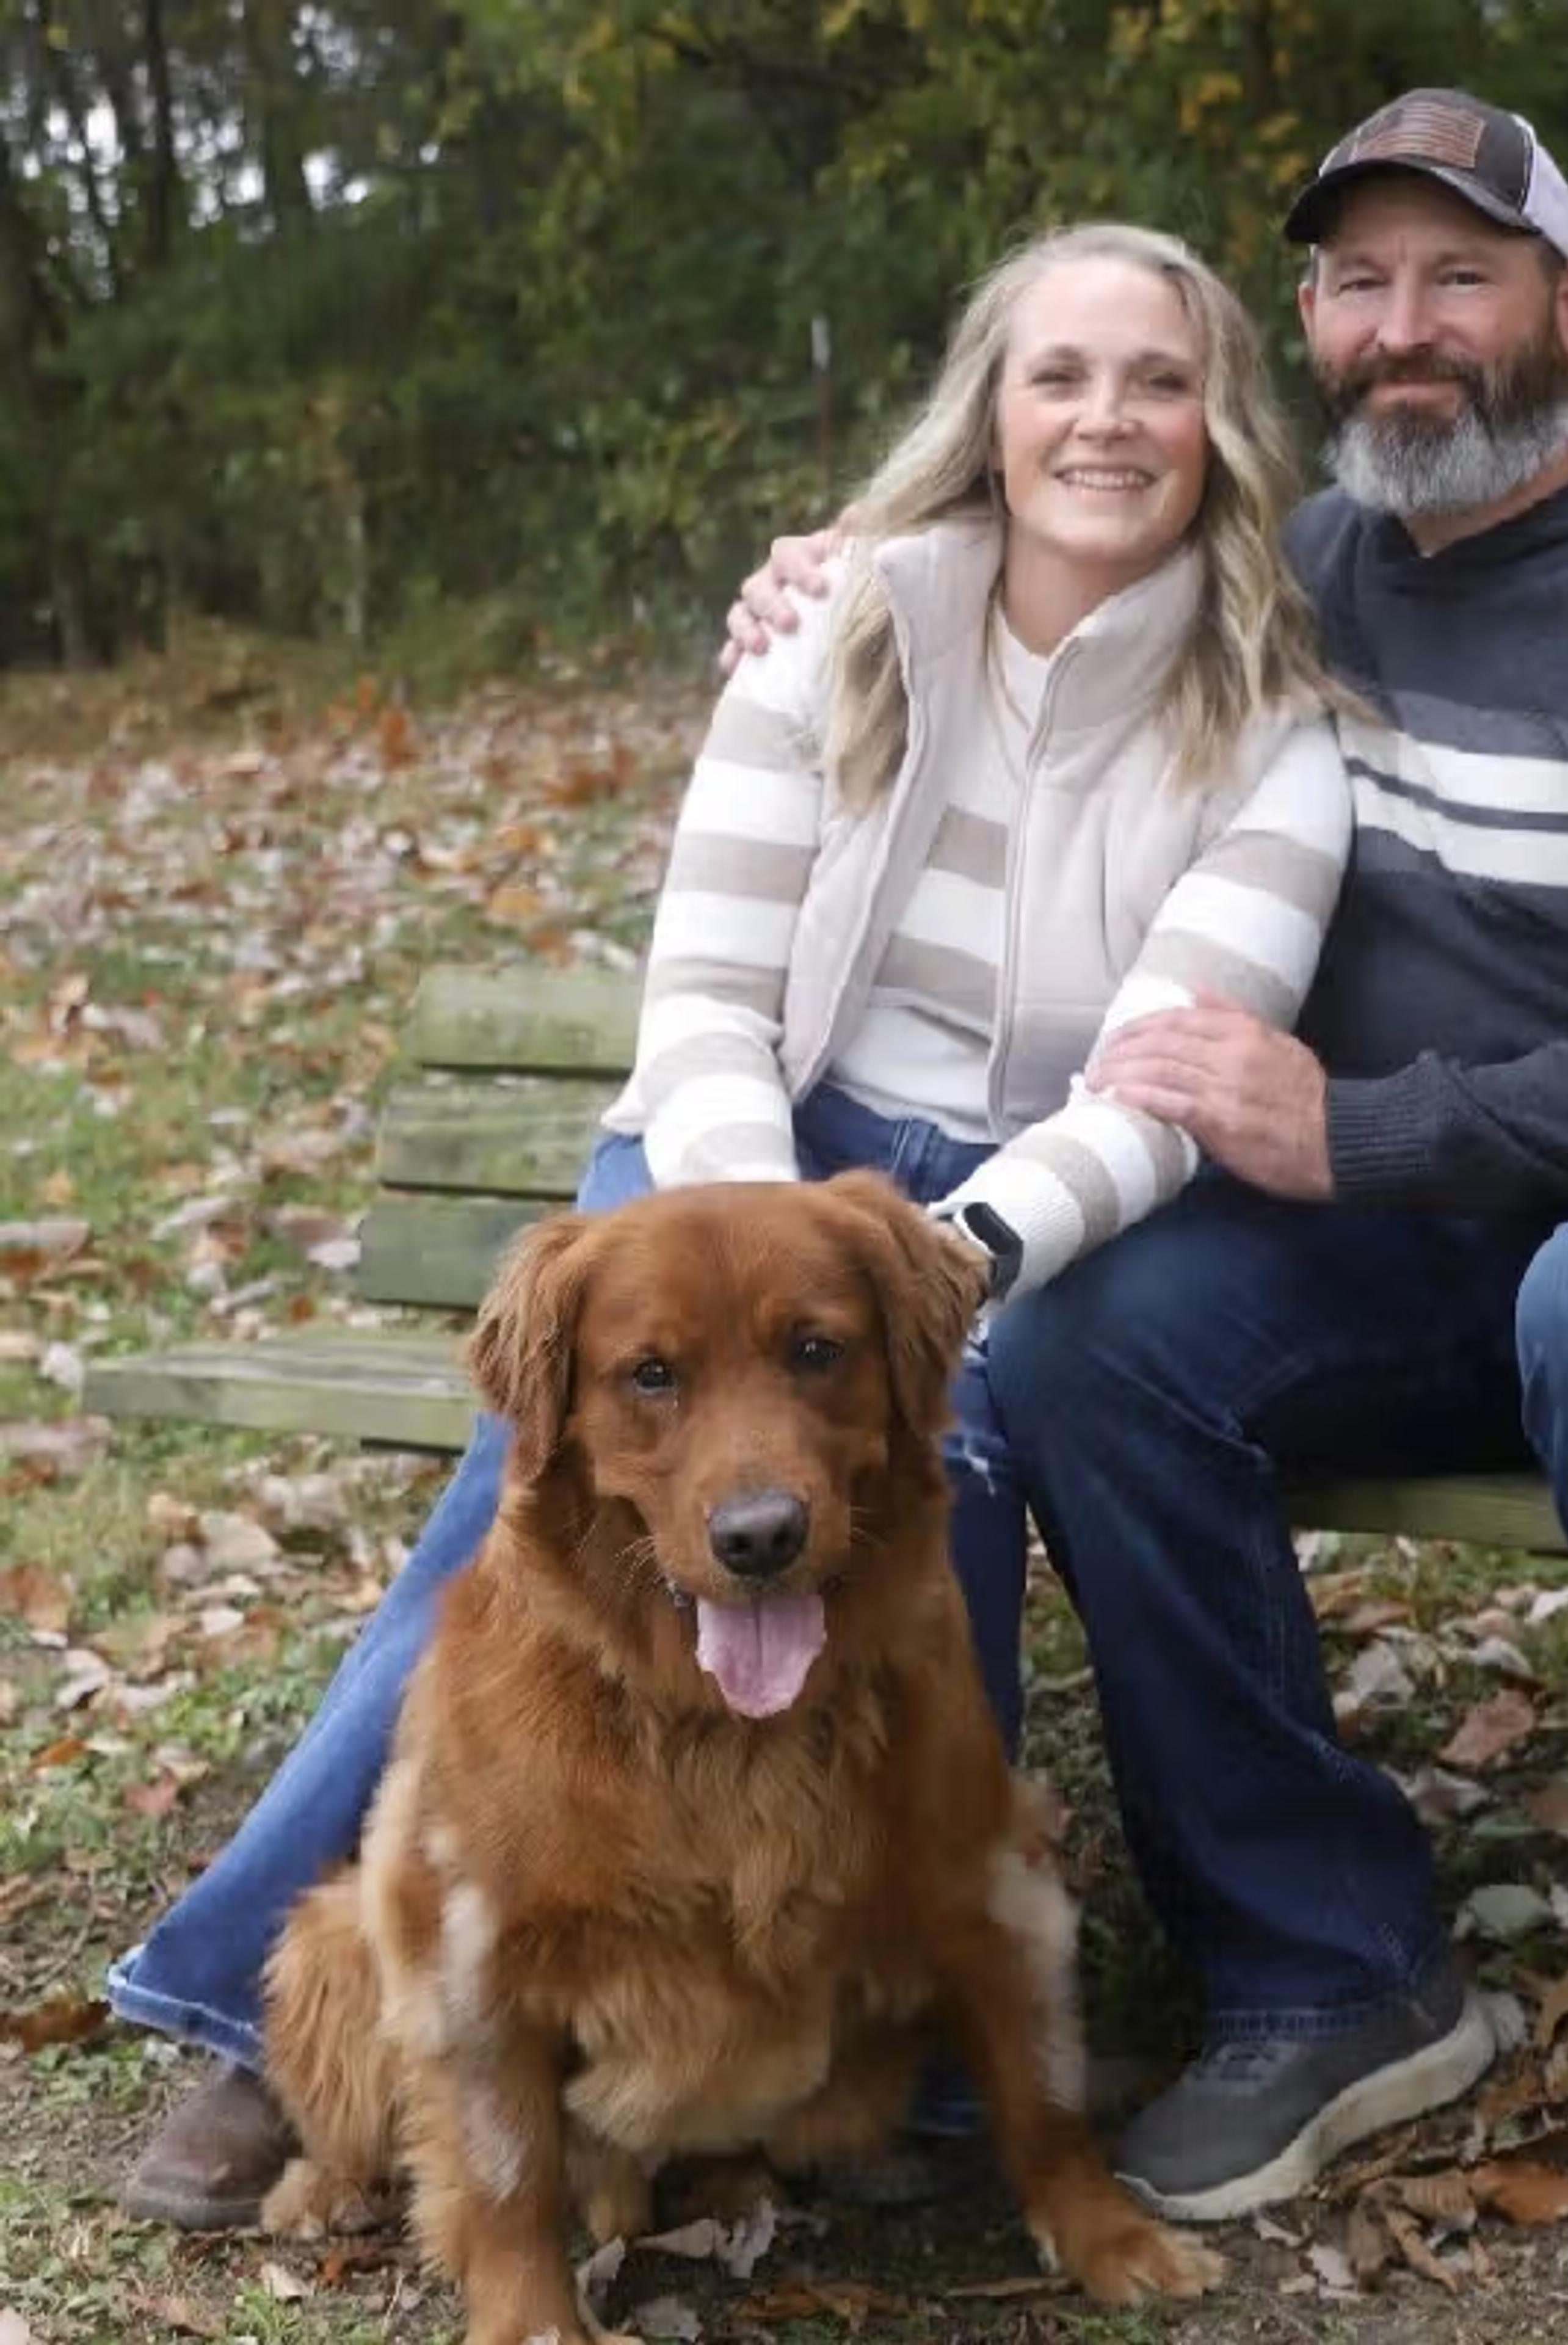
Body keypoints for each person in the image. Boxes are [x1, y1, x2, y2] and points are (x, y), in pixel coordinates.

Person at [735, 87, 1568, 2311]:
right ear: (1311, 323)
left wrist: (1362, 1137)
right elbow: (1033, 574)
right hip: (1463, 1246)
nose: (1410, 331)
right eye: (1361, 284)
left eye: (1463, 277)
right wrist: (842, 574)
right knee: (1095, 1339)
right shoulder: (1315, 572)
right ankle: (1333, 1964)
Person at [109, 220, 1359, 2233]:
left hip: (1023, 1188)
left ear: (1222, 426)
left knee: (953, 1438)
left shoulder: (1273, 720)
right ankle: (276, 2007)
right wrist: (747, 1229)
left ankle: (914, 2021)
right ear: (992, 408)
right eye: (1064, 375)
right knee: (534, 1500)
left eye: (1162, 379)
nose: (1109, 418)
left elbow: (1169, 1077)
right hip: (740, 1138)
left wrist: (940, 1261)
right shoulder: (835, 627)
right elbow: (703, 994)